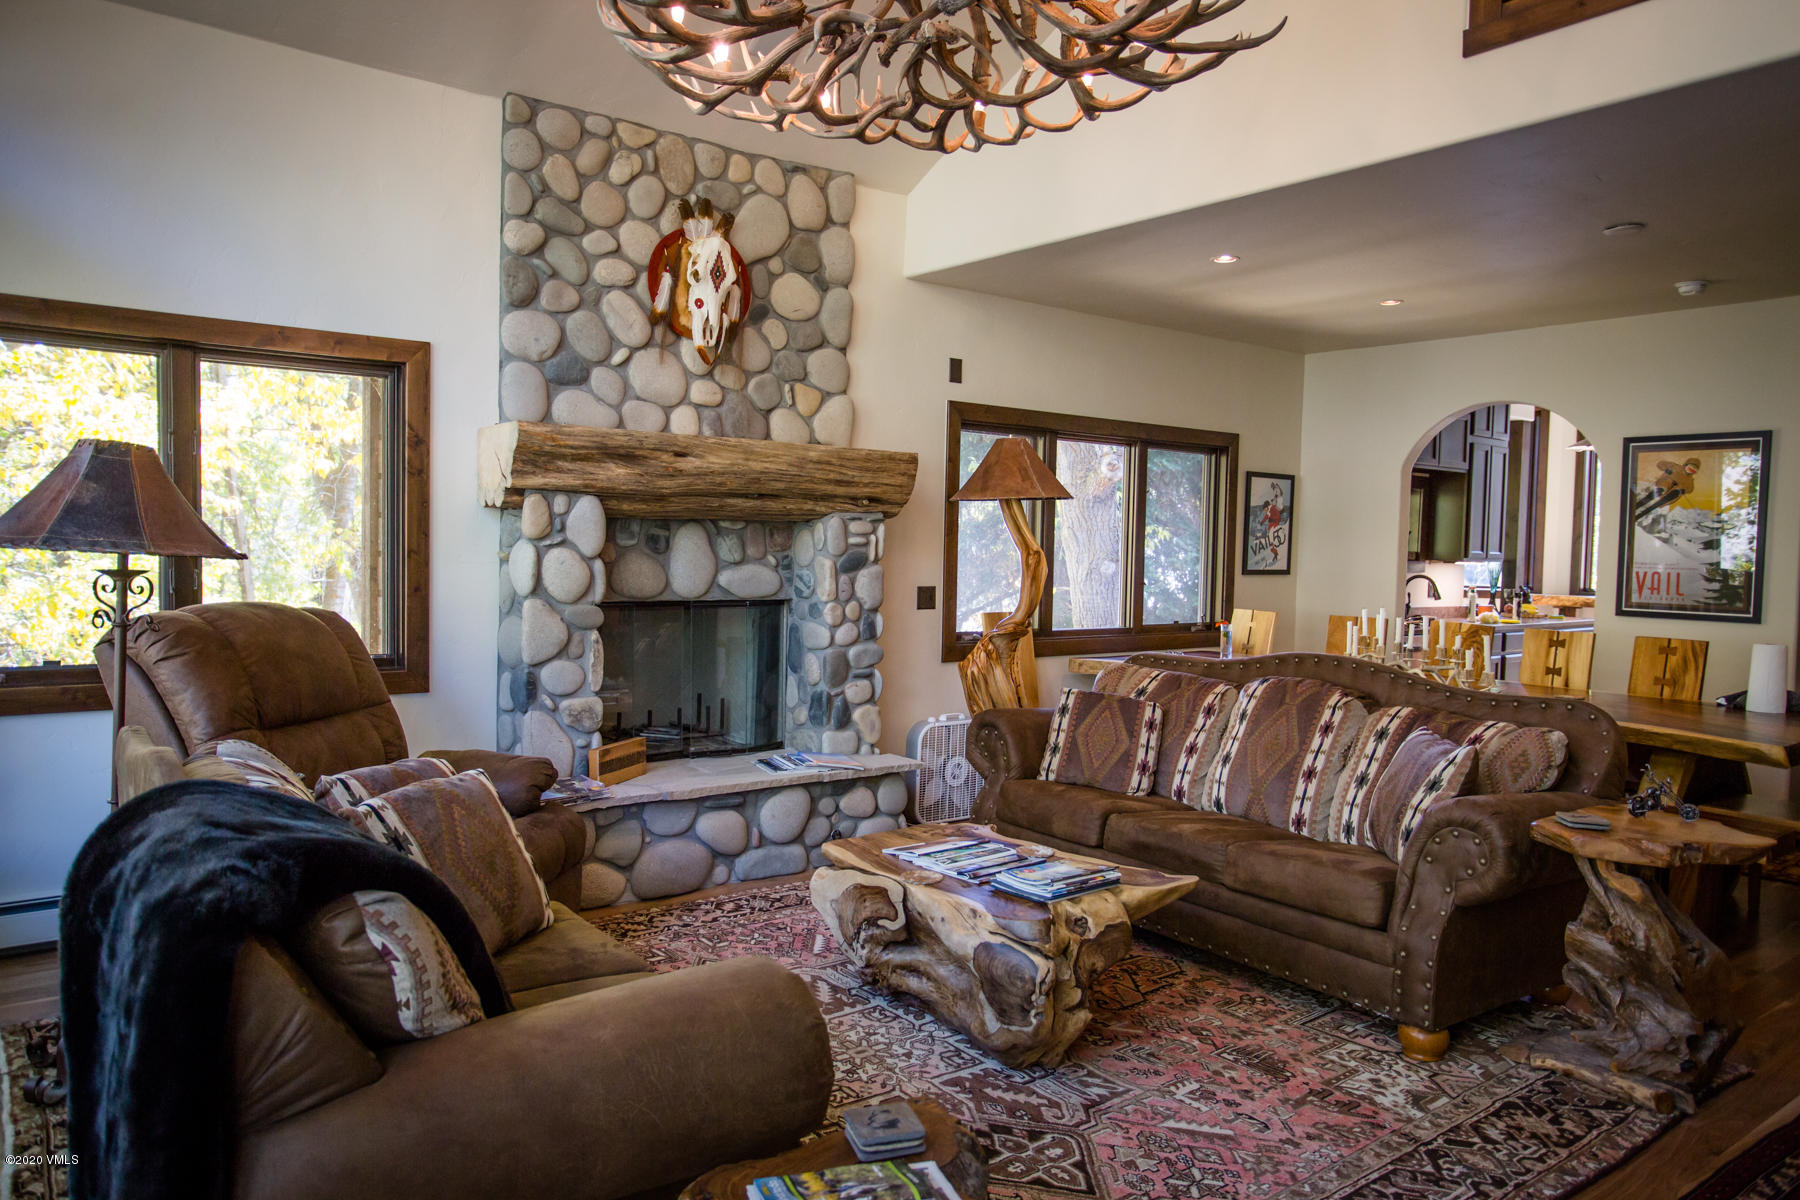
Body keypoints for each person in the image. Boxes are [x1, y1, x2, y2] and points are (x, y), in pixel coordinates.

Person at [1634, 456, 1701, 523]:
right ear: (1686, 465)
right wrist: (1666, 469)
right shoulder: (1675, 467)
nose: (1690, 471)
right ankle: (1660, 490)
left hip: (1671, 492)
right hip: (1665, 483)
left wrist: (1684, 490)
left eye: (1693, 471)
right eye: (1690, 468)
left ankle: (1672, 494)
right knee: (1666, 483)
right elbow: (1660, 464)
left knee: (1678, 489)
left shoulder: (1689, 479)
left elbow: (1690, 489)